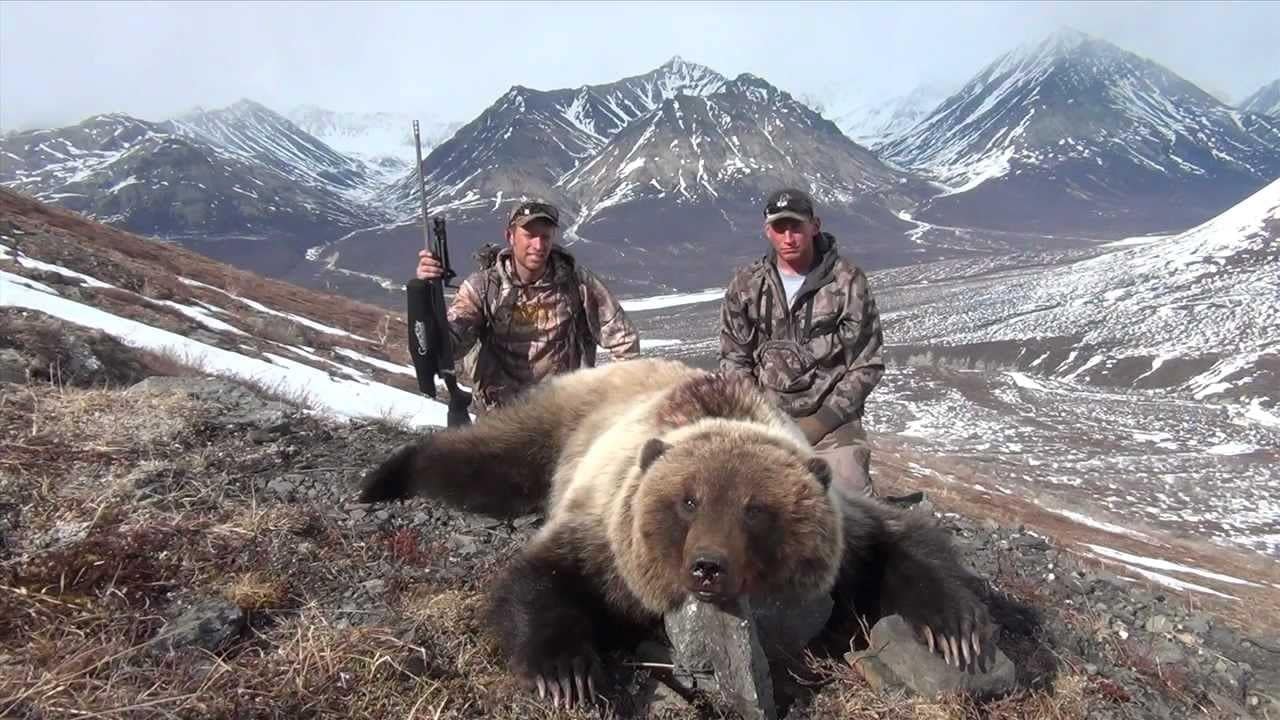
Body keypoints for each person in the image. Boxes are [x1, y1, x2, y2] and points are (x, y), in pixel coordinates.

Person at [718, 188, 885, 499]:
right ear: (767, 231)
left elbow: (867, 362)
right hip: (765, 419)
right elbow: (734, 359)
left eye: (796, 227)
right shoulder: (746, 284)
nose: (789, 237)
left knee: (852, 508)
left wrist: (822, 421)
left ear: (815, 226)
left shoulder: (847, 282)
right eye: (780, 228)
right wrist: (758, 415)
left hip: (831, 423)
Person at [415, 199, 641, 410]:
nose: (538, 245)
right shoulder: (483, 287)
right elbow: (451, 346)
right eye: (530, 235)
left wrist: (615, 400)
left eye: (545, 236)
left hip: (562, 414)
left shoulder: (578, 282)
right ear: (510, 236)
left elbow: (624, 340)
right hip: (501, 419)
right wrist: (425, 298)